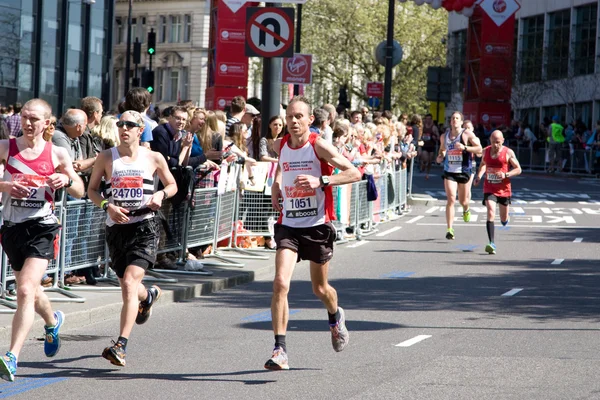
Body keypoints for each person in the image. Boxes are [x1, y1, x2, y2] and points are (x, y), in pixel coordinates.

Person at [265, 96, 361, 370]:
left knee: (320, 289)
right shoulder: (280, 144)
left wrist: (322, 180)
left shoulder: (318, 145)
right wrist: (276, 186)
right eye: (290, 117)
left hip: (317, 225)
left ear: (309, 120)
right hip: (289, 225)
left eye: (299, 117)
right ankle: (280, 350)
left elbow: (354, 173)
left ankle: (335, 316)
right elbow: (282, 170)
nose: (293, 121)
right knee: (280, 283)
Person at [0, 99, 85, 381]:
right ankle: (52, 321)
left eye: (35, 119)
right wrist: (6, 185)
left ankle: (11, 357)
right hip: (13, 228)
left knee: (24, 289)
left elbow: (80, 191)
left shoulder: (57, 153)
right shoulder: (6, 148)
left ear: (47, 123)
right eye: (24, 117)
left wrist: (67, 181)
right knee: (33, 292)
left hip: (42, 228)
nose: (28, 123)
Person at [87, 110, 177, 367]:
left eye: (129, 124)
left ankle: (120, 346)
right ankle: (147, 297)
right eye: (120, 124)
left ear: (140, 130)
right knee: (129, 287)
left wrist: (161, 195)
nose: (123, 128)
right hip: (116, 228)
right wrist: (107, 206)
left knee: (128, 283)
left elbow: (172, 185)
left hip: (145, 226)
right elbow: (92, 190)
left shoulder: (154, 157)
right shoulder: (106, 157)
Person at [436, 111, 482, 240]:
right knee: (451, 199)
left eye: (457, 118)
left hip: (463, 171)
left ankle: (466, 208)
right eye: (452, 118)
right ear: (450, 122)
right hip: (449, 171)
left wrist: (465, 147)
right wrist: (440, 156)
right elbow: (442, 149)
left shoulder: (466, 134)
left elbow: (479, 149)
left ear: (461, 122)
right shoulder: (444, 136)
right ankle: (449, 228)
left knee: (463, 201)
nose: (454, 120)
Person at [474, 130, 522, 254]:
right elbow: (483, 165)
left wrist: (505, 174)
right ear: (490, 140)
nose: (495, 145)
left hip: (504, 189)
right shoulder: (486, 151)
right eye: (493, 142)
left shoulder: (508, 152)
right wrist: (479, 176)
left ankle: (506, 219)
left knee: (503, 218)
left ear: (503, 141)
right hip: (489, 187)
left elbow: (518, 169)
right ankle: (491, 243)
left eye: (498, 142)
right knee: (490, 211)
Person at [419, 113, 439, 179]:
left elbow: (438, 137)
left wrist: (434, 137)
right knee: (426, 159)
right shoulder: (422, 127)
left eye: (429, 119)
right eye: (427, 119)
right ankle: (423, 164)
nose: (428, 120)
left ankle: (427, 173)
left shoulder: (434, 127)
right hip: (424, 146)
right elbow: (419, 136)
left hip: (431, 146)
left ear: (431, 119)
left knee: (430, 161)